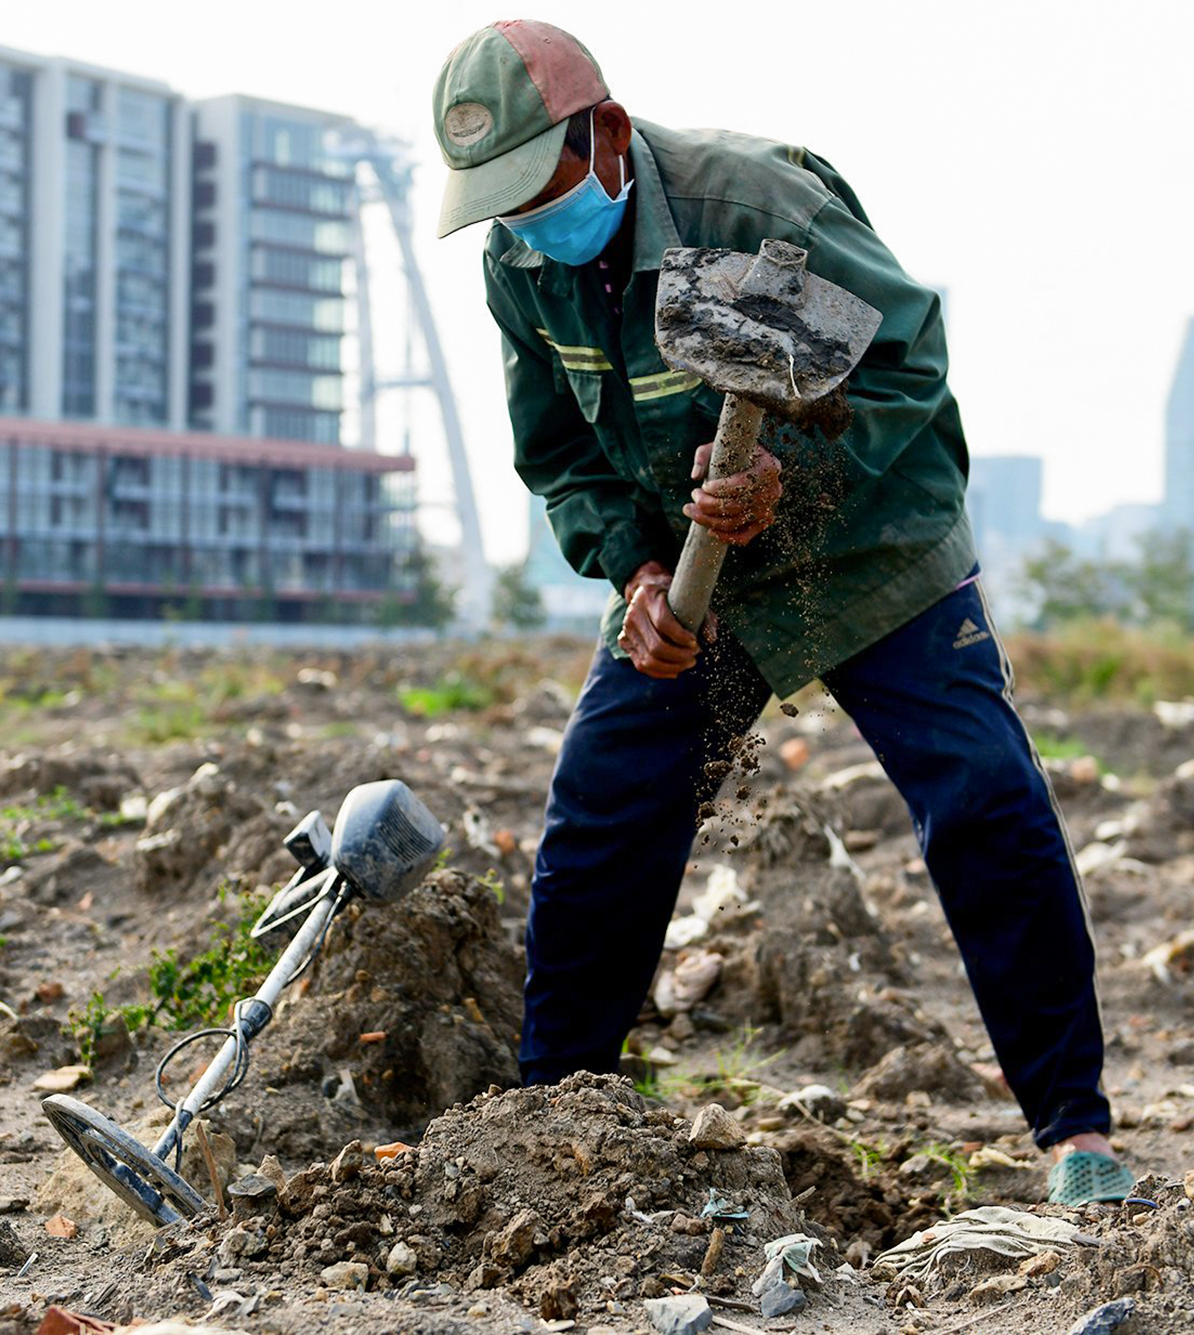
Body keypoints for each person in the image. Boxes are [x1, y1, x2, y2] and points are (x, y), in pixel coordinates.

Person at [432, 20, 1131, 1205]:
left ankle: (1074, 1131)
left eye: (537, 188)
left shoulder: (753, 208)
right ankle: (550, 1124)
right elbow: (558, 455)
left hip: (867, 548)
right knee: (605, 810)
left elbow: (906, 361)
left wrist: (787, 483)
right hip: (696, 580)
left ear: (603, 134)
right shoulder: (518, 267)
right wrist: (638, 577)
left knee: (980, 797)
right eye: (498, 203)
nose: (526, 222)